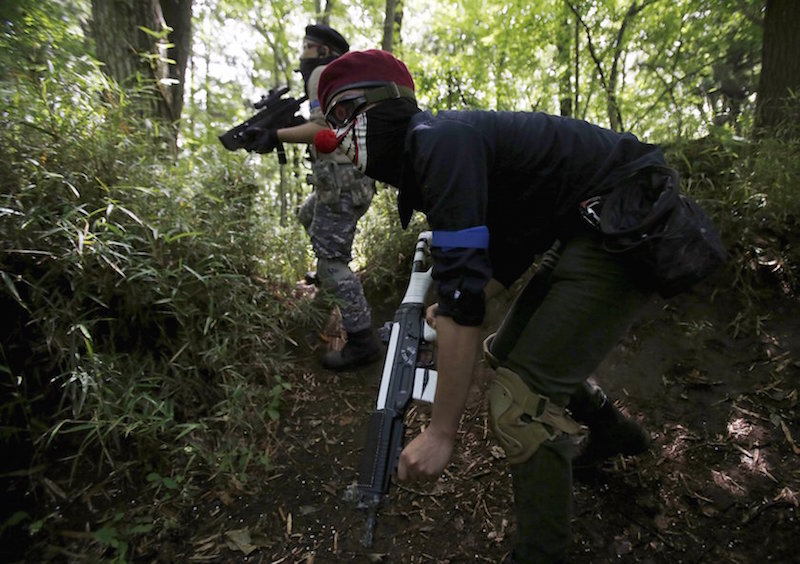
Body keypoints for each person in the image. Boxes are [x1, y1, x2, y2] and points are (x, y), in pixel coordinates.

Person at [314, 50, 724, 562]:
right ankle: (617, 433)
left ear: (366, 108)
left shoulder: (438, 144)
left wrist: (442, 433)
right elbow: (516, 230)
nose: (334, 139)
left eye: (336, 119)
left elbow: (464, 295)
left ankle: (540, 553)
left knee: (519, 404)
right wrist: (471, 295)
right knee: (506, 352)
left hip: (622, 225)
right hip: (584, 225)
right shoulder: (439, 142)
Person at [246, 26, 382, 371]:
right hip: (348, 180)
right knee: (307, 215)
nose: (302, 53)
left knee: (331, 261)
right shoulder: (340, 78)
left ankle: (362, 339)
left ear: (322, 52)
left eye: (307, 47)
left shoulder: (322, 73)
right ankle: (327, 276)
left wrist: (275, 134)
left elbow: (324, 130)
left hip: (341, 183)